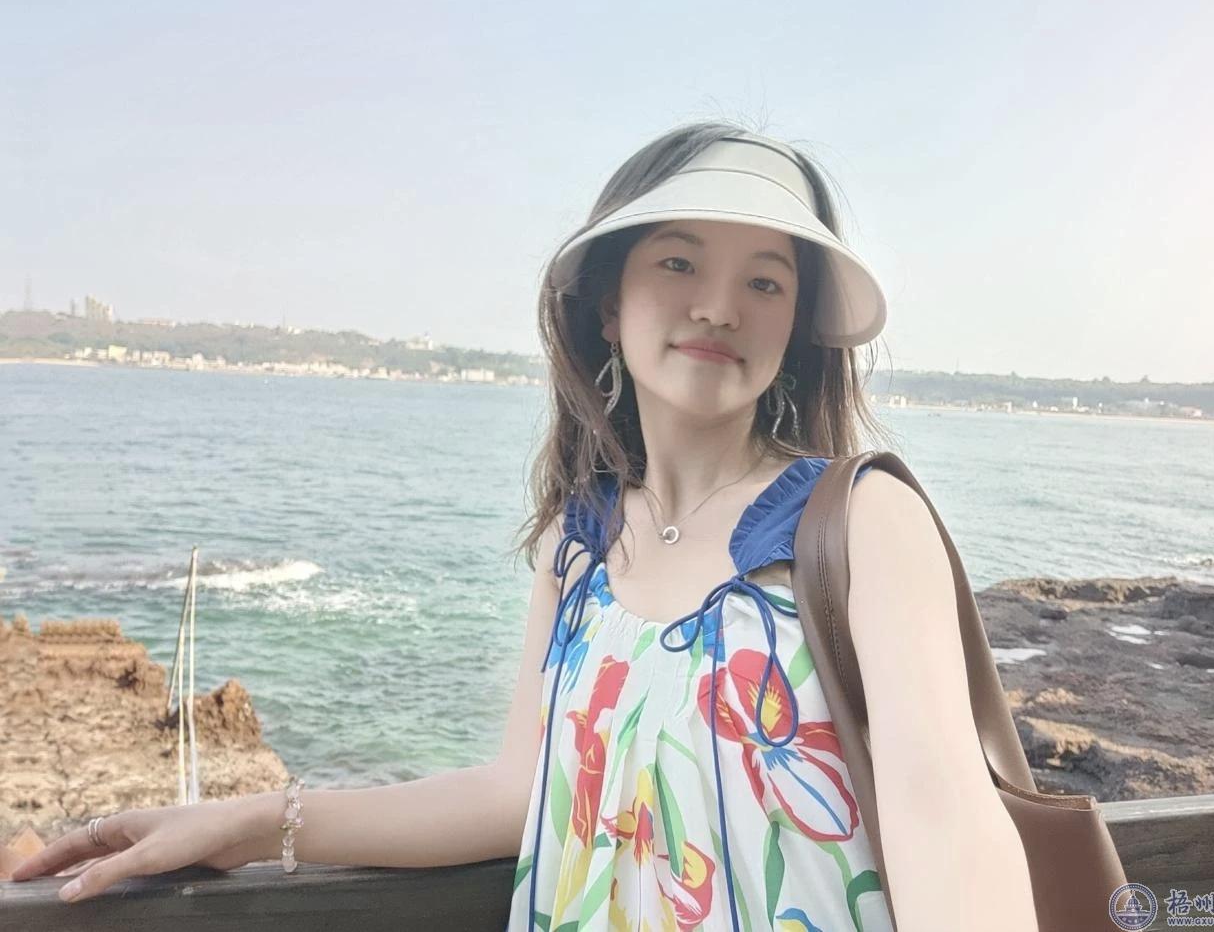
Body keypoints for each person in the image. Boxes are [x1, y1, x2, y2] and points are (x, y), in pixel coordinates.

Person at [6, 121, 1038, 932]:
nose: (719, 306)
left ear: (796, 330)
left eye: (764, 281)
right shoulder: (576, 545)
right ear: (607, 305)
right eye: (678, 264)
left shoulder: (860, 520)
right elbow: (516, 792)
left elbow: (946, 818)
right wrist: (248, 821)